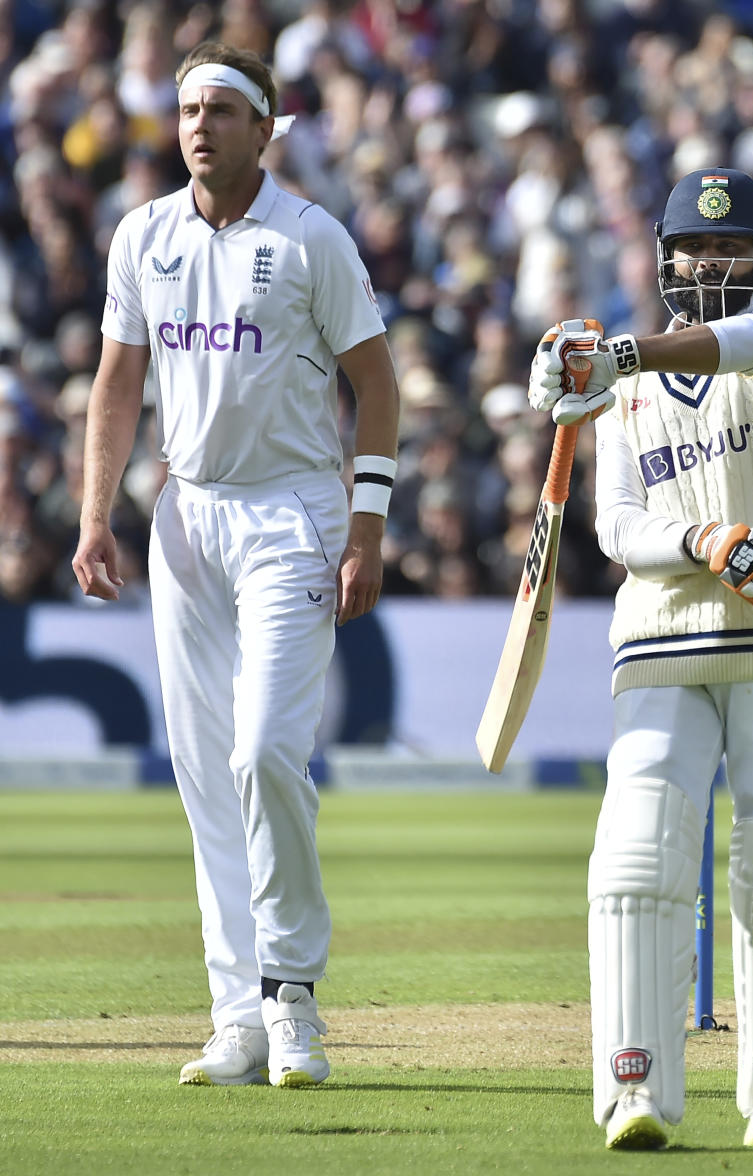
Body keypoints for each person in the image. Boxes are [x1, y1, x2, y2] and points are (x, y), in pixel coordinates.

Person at [72, 41, 400, 1089]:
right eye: (186, 110)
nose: (199, 125)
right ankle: (237, 1019)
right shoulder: (144, 234)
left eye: (221, 108)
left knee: (264, 752)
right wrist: (96, 515)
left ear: (267, 129)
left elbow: (379, 387)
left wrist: (368, 525)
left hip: (293, 512)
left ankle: (293, 995)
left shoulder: (312, 240)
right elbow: (118, 385)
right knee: (206, 775)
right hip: (187, 518)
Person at [527, 167, 753, 1149]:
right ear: (666, 260)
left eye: (732, 245)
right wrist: (703, 541)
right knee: (634, 849)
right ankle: (637, 1088)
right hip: (662, 630)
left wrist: (611, 355)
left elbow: (730, 342)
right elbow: (618, 524)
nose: (713, 262)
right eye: (696, 248)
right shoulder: (626, 390)